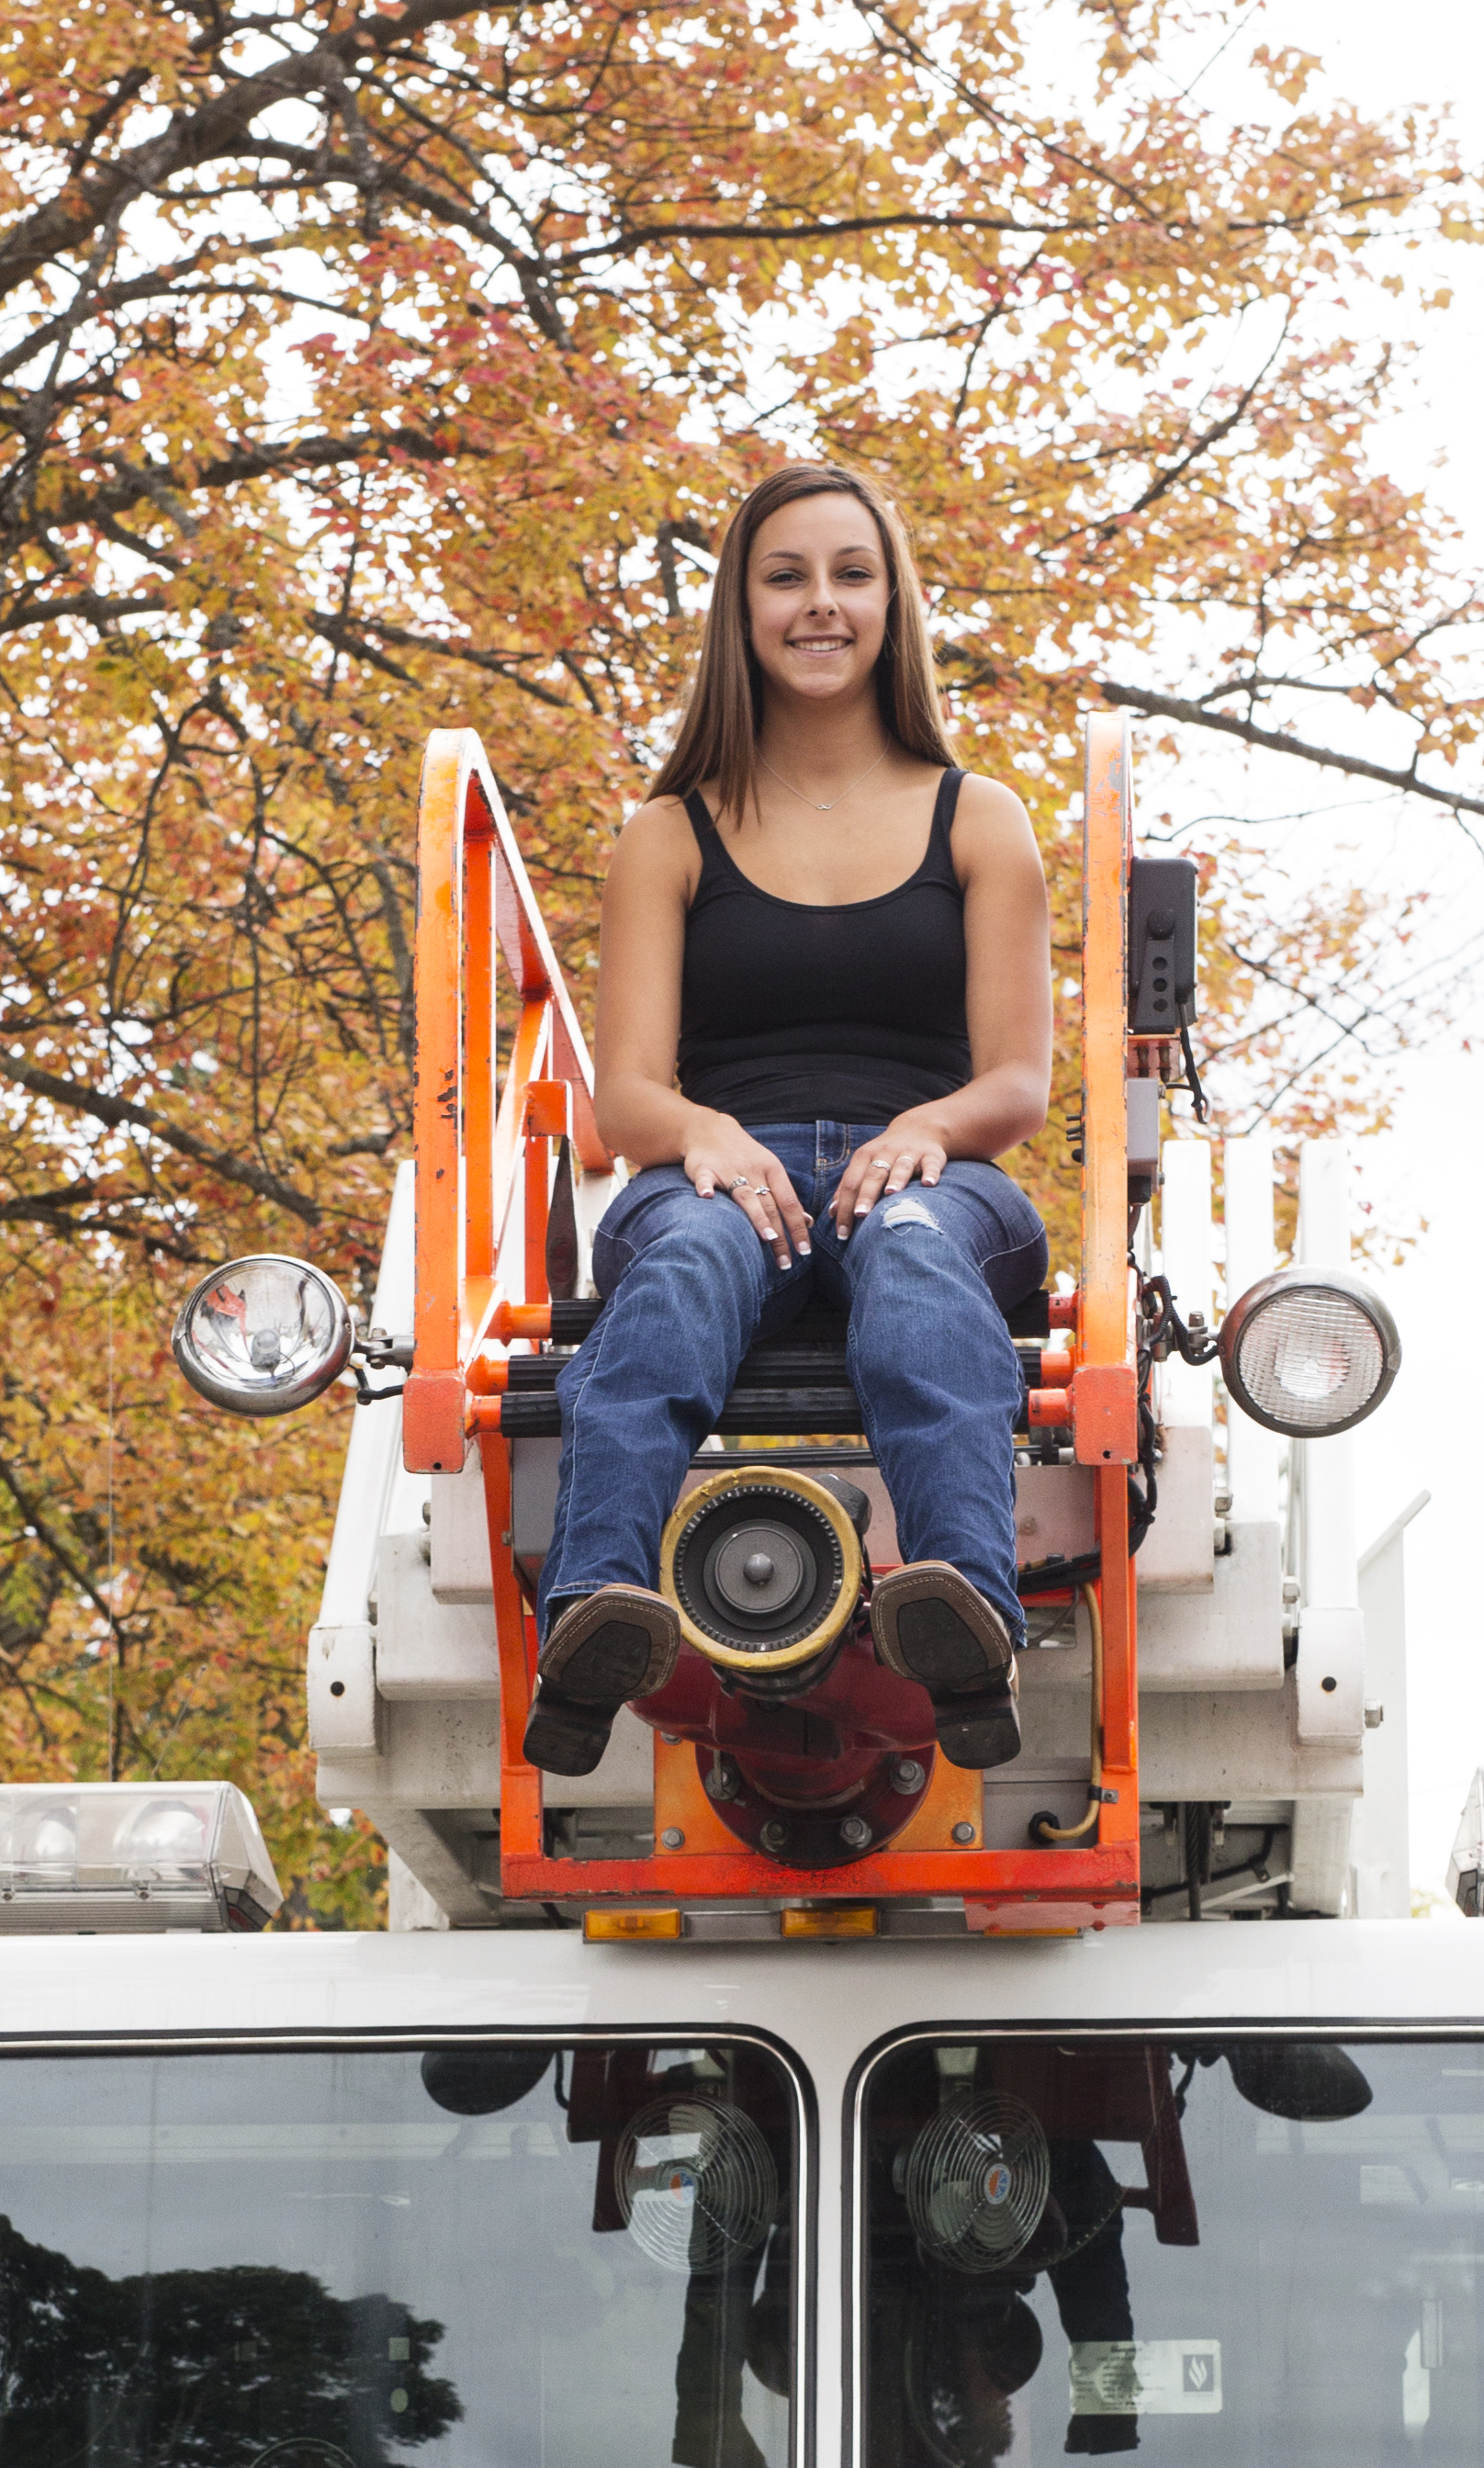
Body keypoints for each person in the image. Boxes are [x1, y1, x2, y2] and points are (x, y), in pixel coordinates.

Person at [524, 461, 1054, 1781]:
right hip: (722, 1171)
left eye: (850, 574)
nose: (820, 605)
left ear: (891, 605)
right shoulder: (671, 833)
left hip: (927, 1172)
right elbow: (628, 1093)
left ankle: (965, 1618)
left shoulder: (976, 818)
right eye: (786, 577)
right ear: (741, 611)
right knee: (685, 1262)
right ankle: (591, 1618)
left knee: (921, 1254)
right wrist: (700, 1135)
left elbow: (1016, 1083)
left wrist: (928, 1126)